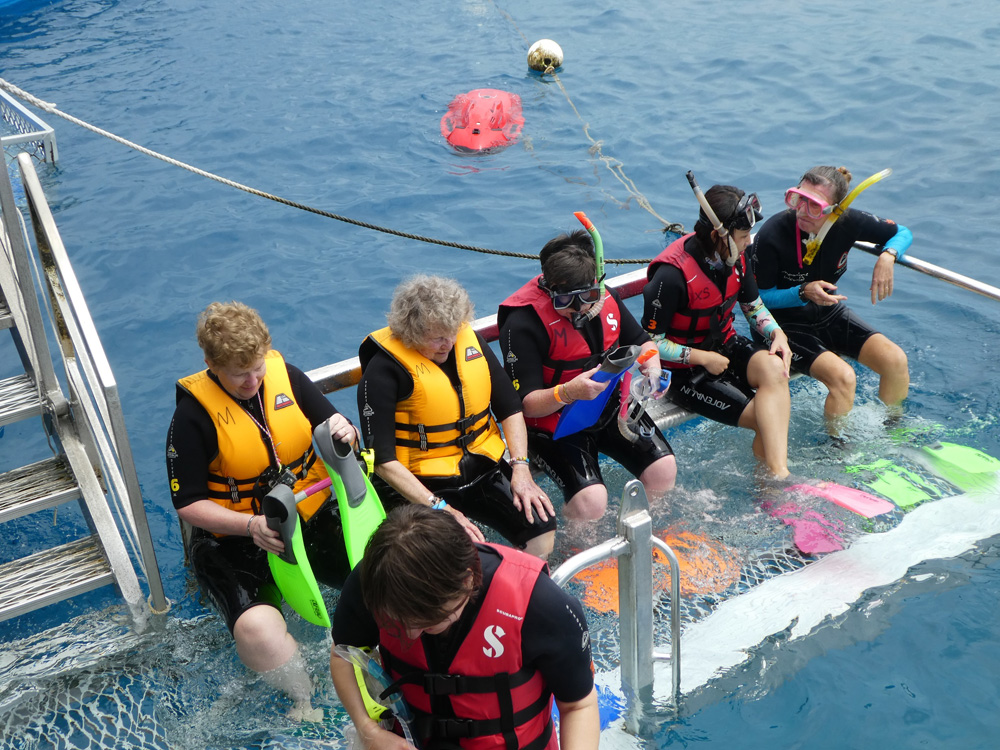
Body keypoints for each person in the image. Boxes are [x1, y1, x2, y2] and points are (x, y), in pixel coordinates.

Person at [166, 301, 359, 721]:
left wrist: (346, 427)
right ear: (211, 365)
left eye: (257, 369)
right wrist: (250, 525)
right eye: (240, 374)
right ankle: (305, 702)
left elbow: (333, 424)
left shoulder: (284, 375)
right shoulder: (191, 417)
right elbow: (188, 504)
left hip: (307, 513)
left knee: (379, 573)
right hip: (234, 538)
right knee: (256, 630)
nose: (253, 380)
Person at [330, 504, 599, 750]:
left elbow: (578, 704)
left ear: (467, 582)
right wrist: (368, 730)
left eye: (427, 623)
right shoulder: (376, 583)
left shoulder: (539, 604)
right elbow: (341, 654)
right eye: (398, 622)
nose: (410, 635)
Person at [357, 275, 556, 559]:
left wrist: (521, 469)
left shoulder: (466, 340)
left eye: (453, 333)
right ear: (412, 332)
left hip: (481, 465)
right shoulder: (383, 371)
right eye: (438, 337)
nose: (448, 344)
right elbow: (383, 461)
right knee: (452, 552)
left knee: (540, 524)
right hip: (421, 480)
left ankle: (520, 587)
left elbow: (510, 408)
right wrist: (440, 507)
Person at [498, 229, 677, 520]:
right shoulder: (522, 323)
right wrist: (568, 392)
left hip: (606, 407)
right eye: (566, 301)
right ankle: (584, 555)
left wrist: (653, 370)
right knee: (592, 500)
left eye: (588, 296)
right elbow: (524, 404)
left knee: (663, 467)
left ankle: (656, 536)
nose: (580, 308)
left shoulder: (606, 299)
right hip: (552, 425)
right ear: (548, 288)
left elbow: (643, 342)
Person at [642, 183, 793, 479]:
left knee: (776, 369)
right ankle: (773, 484)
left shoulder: (737, 257)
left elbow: (752, 305)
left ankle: (778, 474)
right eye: (743, 236)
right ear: (717, 236)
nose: (749, 242)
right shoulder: (671, 276)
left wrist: (777, 333)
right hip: (684, 371)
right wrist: (701, 358)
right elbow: (648, 343)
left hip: (725, 345)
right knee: (766, 420)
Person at [751, 165, 912, 423]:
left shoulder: (849, 222)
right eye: (797, 199)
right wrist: (802, 292)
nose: (800, 211)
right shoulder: (773, 234)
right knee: (844, 378)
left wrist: (888, 256)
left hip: (827, 311)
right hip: (782, 325)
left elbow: (902, 233)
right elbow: (758, 300)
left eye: (813, 205)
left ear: (836, 210)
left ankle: (893, 434)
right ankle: (837, 450)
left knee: (895, 361)